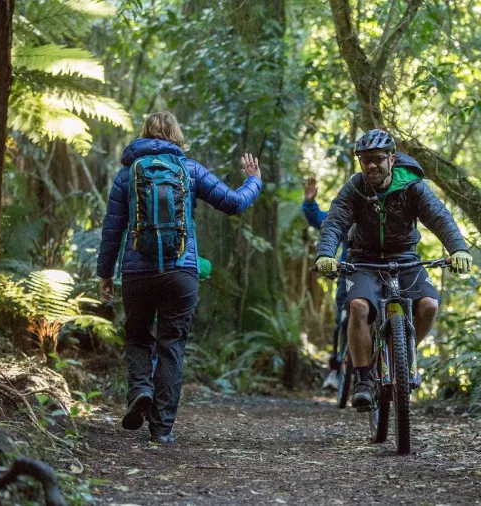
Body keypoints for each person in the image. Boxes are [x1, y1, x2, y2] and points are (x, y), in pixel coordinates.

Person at [96, 111, 262, 443]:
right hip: (181, 271)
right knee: (172, 344)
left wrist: (104, 273)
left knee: (138, 336)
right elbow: (233, 204)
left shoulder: (127, 174)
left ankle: (141, 389)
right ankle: (162, 428)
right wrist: (253, 180)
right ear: (176, 135)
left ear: (144, 134)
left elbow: (112, 229)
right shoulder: (190, 170)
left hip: (137, 272)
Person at [315, 129, 472, 411]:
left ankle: (404, 353)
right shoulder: (355, 188)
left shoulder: (411, 186)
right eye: (365, 160)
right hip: (364, 259)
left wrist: (458, 249)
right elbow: (335, 221)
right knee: (359, 307)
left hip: (405, 258)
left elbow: (439, 217)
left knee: (429, 305)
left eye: (377, 159)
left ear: (391, 158)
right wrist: (326, 254)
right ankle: (364, 380)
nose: (371, 165)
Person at [302, 177, 348, 390]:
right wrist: (310, 203)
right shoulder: (349, 212)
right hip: (351, 274)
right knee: (343, 321)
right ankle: (337, 369)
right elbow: (324, 222)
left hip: (383, 273)